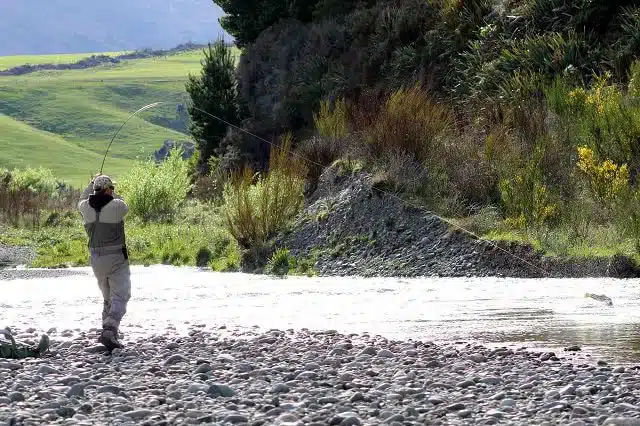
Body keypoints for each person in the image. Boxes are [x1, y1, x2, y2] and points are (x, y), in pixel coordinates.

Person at [78, 174, 131, 351]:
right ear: (108, 189)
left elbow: (82, 198)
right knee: (121, 294)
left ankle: (107, 330)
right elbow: (124, 204)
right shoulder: (116, 206)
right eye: (111, 188)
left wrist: (92, 183)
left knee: (107, 295)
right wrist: (110, 193)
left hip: (95, 259)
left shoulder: (85, 207)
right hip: (116, 257)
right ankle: (110, 328)